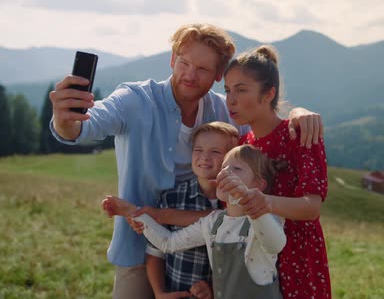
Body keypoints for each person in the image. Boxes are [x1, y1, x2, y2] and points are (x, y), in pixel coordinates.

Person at [49, 23, 323, 299]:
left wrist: (299, 113)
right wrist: (65, 120)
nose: (190, 75)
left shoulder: (224, 111)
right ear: (172, 59)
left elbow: (262, 127)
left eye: (203, 69)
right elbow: (83, 127)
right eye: (184, 62)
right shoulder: (135, 99)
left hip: (205, 261)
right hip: (138, 249)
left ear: (217, 75)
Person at [217, 45, 331, 298]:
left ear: (269, 94)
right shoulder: (242, 144)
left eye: (241, 90)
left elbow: (312, 207)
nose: (231, 100)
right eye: (228, 90)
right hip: (254, 258)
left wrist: (265, 202)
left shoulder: (299, 135)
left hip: (296, 256)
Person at [103, 143, 286, 299]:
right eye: (224, 167)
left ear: (259, 185)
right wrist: (133, 212)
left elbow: (275, 244)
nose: (225, 173)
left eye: (236, 169)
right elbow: (168, 242)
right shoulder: (213, 222)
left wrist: (247, 199)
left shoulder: (266, 220)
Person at [102, 121, 239, 298]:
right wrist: (159, 293)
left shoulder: (235, 204)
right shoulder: (172, 198)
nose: (204, 157)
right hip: (176, 291)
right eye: (198, 150)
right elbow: (155, 253)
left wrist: (212, 287)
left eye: (215, 152)